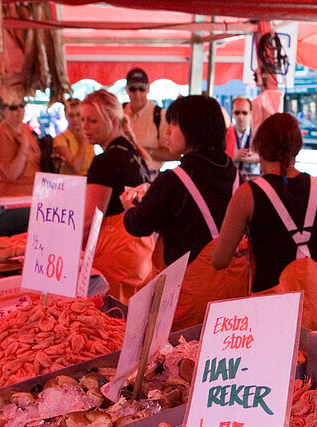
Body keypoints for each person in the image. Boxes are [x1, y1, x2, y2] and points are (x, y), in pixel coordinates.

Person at [210, 112, 317, 330]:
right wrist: (308, 241)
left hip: (268, 315)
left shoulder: (248, 194)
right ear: (298, 146)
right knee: (313, 362)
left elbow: (219, 259)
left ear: (259, 149)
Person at [123, 95, 244, 329]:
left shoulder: (174, 180)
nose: (167, 131)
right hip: (232, 297)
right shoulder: (235, 176)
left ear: (194, 128)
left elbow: (138, 225)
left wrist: (130, 207)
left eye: (174, 123)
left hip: (187, 299)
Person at [80, 89, 155, 301]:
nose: (85, 126)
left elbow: (89, 220)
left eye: (93, 121)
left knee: (111, 324)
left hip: (116, 255)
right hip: (139, 250)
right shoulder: (133, 151)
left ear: (113, 121)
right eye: (83, 119)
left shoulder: (105, 161)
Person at [0, 92, 40, 197]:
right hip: (13, 196)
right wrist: (23, 146)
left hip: (32, 194)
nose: (20, 110)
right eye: (13, 107)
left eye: (22, 104)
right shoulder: (0, 133)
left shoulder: (25, 127)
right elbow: (12, 174)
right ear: (3, 111)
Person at [122, 67, 171, 168]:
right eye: (133, 89)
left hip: (150, 177)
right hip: (123, 176)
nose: (137, 93)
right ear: (127, 89)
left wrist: (146, 151)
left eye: (141, 88)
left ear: (148, 88)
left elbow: (174, 154)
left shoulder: (160, 115)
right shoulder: (119, 112)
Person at [53, 98, 95, 176]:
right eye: (71, 115)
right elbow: (76, 168)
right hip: (72, 184)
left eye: (78, 115)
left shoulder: (90, 134)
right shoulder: (61, 138)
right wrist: (83, 142)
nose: (75, 119)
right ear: (66, 116)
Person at [226, 96, 260, 178]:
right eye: (237, 113)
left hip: (254, 178)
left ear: (251, 114)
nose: (241, 117)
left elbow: (269, 159)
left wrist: (258, 158)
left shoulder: (258, 134)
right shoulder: (226, 134)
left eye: (244, 113)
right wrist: (233, 156)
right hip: (231, 179)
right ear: (232, 114)